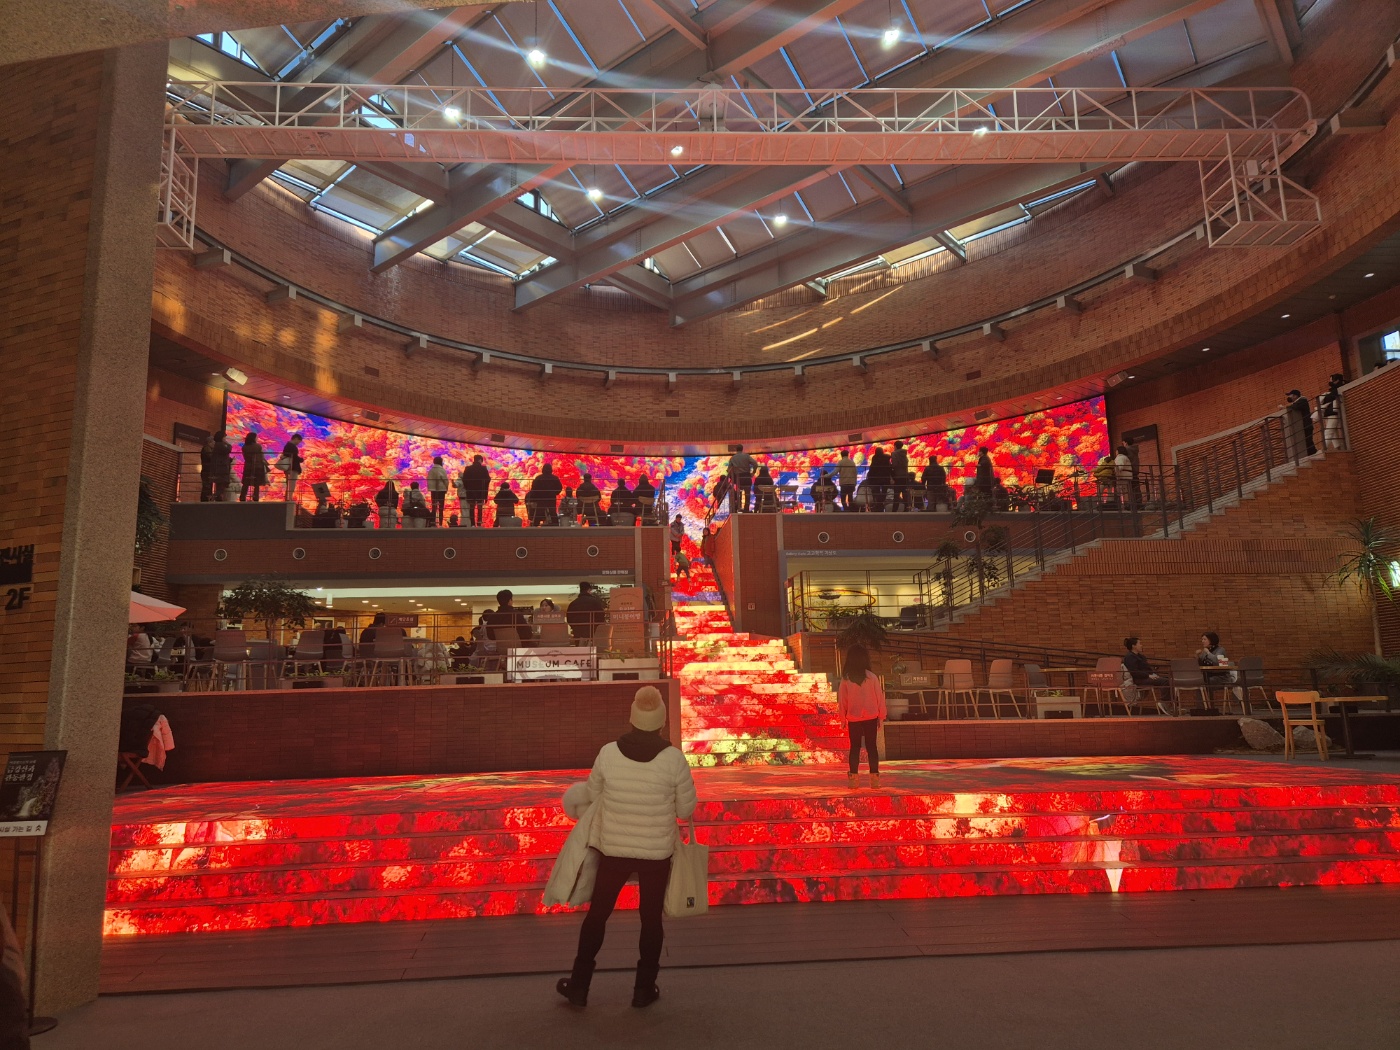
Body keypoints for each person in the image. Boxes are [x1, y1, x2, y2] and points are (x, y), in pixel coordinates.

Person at [556, 686, 698, 1009]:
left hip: (614, 849)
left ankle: (579, 986)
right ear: (661, 721)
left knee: (598, 915)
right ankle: (643, 989)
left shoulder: (608, 753)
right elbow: (685, 810)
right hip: (656, 853)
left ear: (632, 719)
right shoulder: (674, 759)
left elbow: (593, 795)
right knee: (651, 920)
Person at [836, 644, 886, 790]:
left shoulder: (846, 679)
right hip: (871, 716)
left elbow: (842, 701)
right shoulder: (872, 677)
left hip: (854, 717)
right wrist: (881, 716)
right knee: (872, 747)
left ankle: (853, 780)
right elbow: (879, 698)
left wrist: (842, 719)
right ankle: (875, 780)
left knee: (855, 747)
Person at [1121, 636, 1168, 713]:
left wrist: (1153, 674)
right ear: (1134, 646)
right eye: (1139, 643)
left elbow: (1147, 668)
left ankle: (1171, 704)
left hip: (1147, 677)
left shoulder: (1141, 656)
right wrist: (1148, 675)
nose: (1141, 645)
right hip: (1139, 679)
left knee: (1168, 679)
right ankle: (1165, 702)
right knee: (1165, 681)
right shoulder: (1130, 657)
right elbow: (1134, 672)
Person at [1284, 389, 1318, 459]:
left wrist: (1284, 407)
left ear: (1295, 396)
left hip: (1306, 425)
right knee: (1305, 441)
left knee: (1308, 440)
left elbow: (1296, 407)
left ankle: (1313, 453)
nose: (1289, 397)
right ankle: (1311, 454)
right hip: (1303, 425)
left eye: (1290, 395)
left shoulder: (1302, 401)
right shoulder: (1298, 402)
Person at [460, 454, 491, 526]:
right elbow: (487, 480)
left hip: (471, 491)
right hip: (481, 492)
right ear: (480, 460)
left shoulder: (468, 468)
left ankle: (472, 524)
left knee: (471, 508)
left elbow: (464, 480)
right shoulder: (483, 469)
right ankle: (479, 523)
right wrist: (485, 494)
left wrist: (468, 488)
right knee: (480, 508)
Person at [728, 445, 757, 513]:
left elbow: (729, 469)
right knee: (747, 494)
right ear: (742, 449)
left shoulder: (733, 458)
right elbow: (755, 464)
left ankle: (739, 507)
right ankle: (746, 509)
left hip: (738, 478)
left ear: (736, 449)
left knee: (739, 493)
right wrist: (753, 472)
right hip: (746, 477)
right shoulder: (746, 456)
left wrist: (732, 477)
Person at [240, 432, 268, 502]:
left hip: (248, 466)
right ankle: (255, 497)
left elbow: (245, 457)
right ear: (254, 438)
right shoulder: (258, 446)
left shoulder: (244, 447)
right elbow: (261, 456)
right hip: (258, 466)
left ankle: (242, 497)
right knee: (257, 483)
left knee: (246, 483)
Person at [1320, 373, 1344, 450]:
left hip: (1333, 413)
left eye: (1331, 380)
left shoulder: (1338, 388)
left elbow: (1329, 398)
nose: (1330, 382)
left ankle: (1324, 449)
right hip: (1330, 413)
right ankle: (1338, 448)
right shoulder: (1333, 389)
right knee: (1333, 433)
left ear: (1337, 380)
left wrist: (1326, 397)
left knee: (1329, 431)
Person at [209, 430, 233, 502]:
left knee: (220, 486)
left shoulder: (217, 445)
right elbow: (227, 450)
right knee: (220, 486)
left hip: (219, 468)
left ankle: (218, 497)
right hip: (221, 469)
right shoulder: (220, 445)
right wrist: (228, 444)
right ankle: (217, 497)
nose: (225, 439)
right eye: (224, 437)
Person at [279, 433, 304, 502]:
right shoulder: (292, 447)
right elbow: (294, 457)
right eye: (299, 441)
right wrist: (301, 459)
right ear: (296, 439)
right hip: (293, 467)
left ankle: (288, 497)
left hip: (288, 467)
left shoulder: (287, 446)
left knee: (289, 483)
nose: (298, 443)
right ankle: (290, 498)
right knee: (292, 483)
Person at [866, 447, 893, 512]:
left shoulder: (874, 458)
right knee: (884, 491)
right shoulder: (886, 457)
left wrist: (870, 477)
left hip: (876, 478)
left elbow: (872, 468)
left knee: (876, 491)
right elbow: (889, 467)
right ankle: (882, 503)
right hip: (885, 478)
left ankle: (878, 504)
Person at [427, 456, 450, 526]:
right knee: (441, 508)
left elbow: (428, 480)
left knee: (434, 507)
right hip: (441, 490)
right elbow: (445, 481)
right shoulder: (442, 470)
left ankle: (433, 522)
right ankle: (440, 523)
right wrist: (446, 488)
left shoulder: (431, 470)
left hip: (433, 490)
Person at [891, 440, 911, 511]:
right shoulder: (904, 453)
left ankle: (894, 510)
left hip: (897, 476)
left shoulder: (894, 453)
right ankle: (906, 509)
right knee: (905, 494)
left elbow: (894, 464)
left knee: (896, 494)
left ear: (895, 446)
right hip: (905, 476)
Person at [199, 434, 217, 502]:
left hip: (207, 470)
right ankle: (205, 499)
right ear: (210, 442)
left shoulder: (207, 449)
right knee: (207, 486)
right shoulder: (207, 449)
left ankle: (206, 499)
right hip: (207, 471)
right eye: (213, 443)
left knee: (208, 486)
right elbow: (211, 457)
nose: (214, 444)